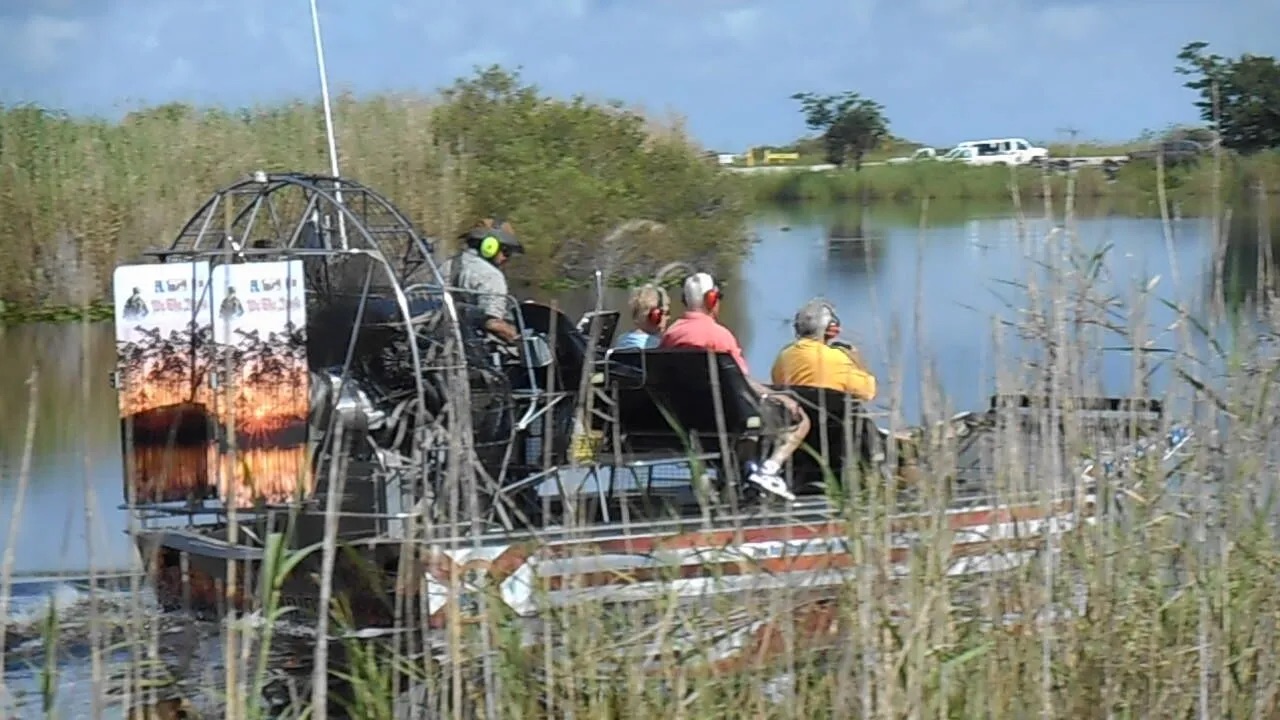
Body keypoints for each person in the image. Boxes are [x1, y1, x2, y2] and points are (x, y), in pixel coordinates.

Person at [659, 272, 810, 501]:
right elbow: (742, 381)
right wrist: (777, 395)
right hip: (727, 419)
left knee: (747, 422)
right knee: (799, 419)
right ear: (711, 300)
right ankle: (768, 470)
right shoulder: (720, 336)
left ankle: (737, 477)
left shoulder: (671, 335)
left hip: (687, 419)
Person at [437, 217, 525, 343]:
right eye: (506, 251)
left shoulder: (445, 266)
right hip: (468, 348)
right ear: (490, 246)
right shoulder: (492, 276)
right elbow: (492, 323)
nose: (507, 258)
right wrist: (517, 338)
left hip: (437, 342)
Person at [771, 299, 877, 401]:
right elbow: (867, 391)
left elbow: (778, 383)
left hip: (796, 414)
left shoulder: (783, 357)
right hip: (832, 416)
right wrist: (857, 358)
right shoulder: (838, 357)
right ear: (830, 325)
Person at [613, 284, 669, 350]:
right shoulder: (657, 344)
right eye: (666, 313)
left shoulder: (622, 340)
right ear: (655, 316)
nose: (668, 318)